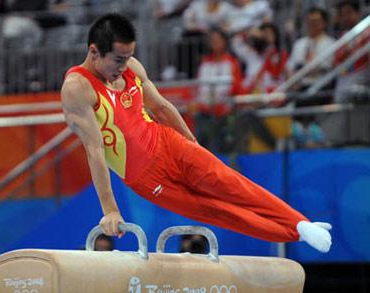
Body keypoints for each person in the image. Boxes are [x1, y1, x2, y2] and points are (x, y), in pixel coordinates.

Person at [61, 13, 332, 253]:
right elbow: (95, 151)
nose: (124, 66)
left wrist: (193, 145)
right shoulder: (77, 89)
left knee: (232, 183)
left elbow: (162, 108)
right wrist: (110, 208)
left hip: (170, 143)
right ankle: (295, 234)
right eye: (118, 60)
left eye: (128, 58)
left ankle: (300, 222)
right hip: (146, 177)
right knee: (218, 212)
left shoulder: (131, 68)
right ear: (94, 52)